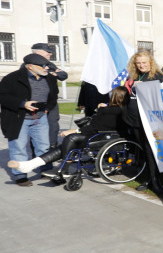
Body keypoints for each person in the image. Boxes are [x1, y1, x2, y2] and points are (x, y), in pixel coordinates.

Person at [9, 87, 130, 181]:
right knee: (66, 144)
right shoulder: (116, 110)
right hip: (99, 135)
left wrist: (75, 130)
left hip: (103, 136)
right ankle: (31, 165)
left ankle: (64, 168)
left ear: (113, 97)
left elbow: (96, 126)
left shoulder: (112, 111)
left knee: (71, 138)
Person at [0, 54, 57, 186]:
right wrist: (22, 104)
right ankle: (20, 176)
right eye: (43, 65)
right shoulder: (12, 78)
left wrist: (47, 108)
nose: (46, 68)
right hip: (19, 119)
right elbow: (2, 97)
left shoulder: (49, 79)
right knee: (18, 148)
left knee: (43, 147)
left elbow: (54, 95)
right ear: (30, 66)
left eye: (47, 65)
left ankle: (46, 170)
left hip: (40, 118)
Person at [122, 50, 163, 193]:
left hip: (150, 121)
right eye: (138, 63)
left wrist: (146, 87)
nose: (141, 65)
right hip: (135, 121)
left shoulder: (157, 76)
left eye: (144, 62)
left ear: (150, 63)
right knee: (145, 152)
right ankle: (149, 178)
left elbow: (162, 96)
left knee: (152, 151)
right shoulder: (136, 76)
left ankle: (156, 181)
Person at [31, 43, 68, 148]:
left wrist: (54, 73)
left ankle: (53, 145)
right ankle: (38, 147)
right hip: (36, 102)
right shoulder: (29, 64)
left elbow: (63, 75)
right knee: (36, 125)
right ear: (38, 52)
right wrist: (52, 74)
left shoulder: (50, 64)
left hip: (51, 101)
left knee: (53, 124)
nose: (50, 54)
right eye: (47, 52)